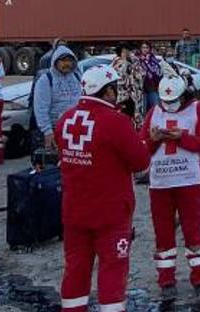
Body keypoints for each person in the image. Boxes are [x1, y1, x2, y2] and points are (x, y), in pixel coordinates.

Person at [56, 65, 151, 312]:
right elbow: (140, 161)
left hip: (74, 211)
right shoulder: (116, 122)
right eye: (115, 89)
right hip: (110, 213)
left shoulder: (66, 119)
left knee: (75, 269)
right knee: (112, 270)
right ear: (108, 91)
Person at [139, 74, 200, 300]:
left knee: (193, 233)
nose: (168, 106)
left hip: (188, 181)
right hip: (160, 183)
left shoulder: (197, 109)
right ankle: (166, 281)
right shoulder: (154, 112)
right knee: (163, 235)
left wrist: (182, 138)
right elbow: (141, 148)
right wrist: (153, 139)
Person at [34, 45, 82, 150]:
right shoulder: (46, 80)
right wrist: (47, 131)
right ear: (55, 61)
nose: (67, 64)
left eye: (69, 60)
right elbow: (41, 108)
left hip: (76, 128)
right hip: (56, 129)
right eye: (63, 60)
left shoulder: (77, 77)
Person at [135, 41, 164, 116]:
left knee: (156, 109)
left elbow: (158, 72)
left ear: (150, 49)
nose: (145, 49)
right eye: (143, 48)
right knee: (143, 111)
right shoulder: (137, 59)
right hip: (141, 89)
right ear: (140, 49)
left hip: (152, 87)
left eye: (147, 48)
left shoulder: (153, 59)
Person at [112, 44, 140, 117]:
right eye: (124, 51)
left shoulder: (134, 62)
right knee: (122, 114)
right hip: (121, 94)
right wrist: (124, 62)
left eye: (128, 51)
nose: (127, 53)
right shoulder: (116, 62)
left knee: (133, 115)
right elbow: (120, 75)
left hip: (133, 94)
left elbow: (140, 75)